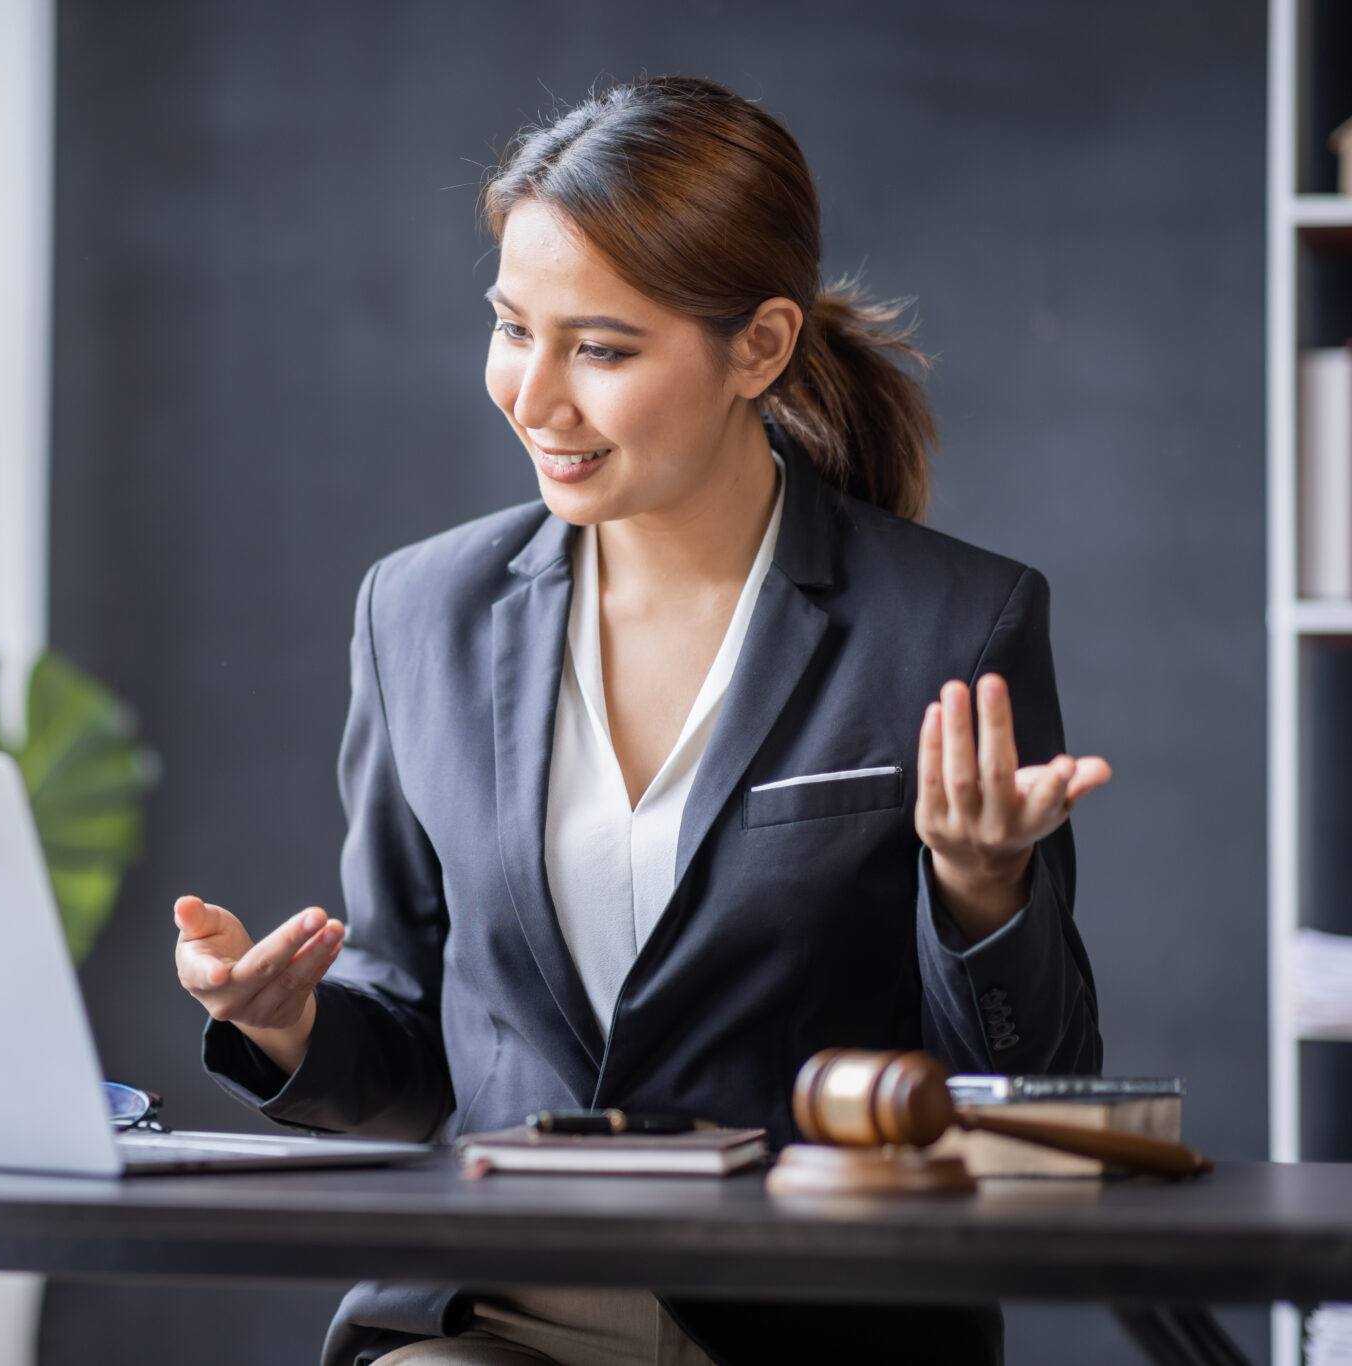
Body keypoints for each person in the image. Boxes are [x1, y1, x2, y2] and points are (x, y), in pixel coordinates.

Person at [172, 75, 1108, 1366]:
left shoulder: (954, 625)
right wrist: (281, 1022)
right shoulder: (419, 614)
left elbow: (1037, 1088)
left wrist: (981, 890)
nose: (533, 395)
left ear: (760, 348)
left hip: (809, 1325)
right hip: (496, 1312)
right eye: (511, 329)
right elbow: (413, 1054)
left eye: (600, 349)